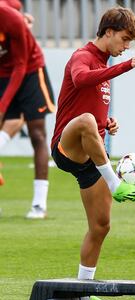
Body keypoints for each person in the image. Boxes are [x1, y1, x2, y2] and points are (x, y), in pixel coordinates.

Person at [51, 7, 135, 300]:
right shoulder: (83, 56)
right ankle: (115, 183)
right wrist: (127, 66)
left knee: (101, 226)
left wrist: (106, 123)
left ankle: (85, 289)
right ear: (107, 32)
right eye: (124, 39)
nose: (126, 47)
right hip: (66, 148)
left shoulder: (104, 63)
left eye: (130, 43)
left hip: (91, 158)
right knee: (85, 122)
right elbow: (81, 81)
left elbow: (90, 105)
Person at [0, 1, 54, 219]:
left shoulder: (9, 18)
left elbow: (21, 64)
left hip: (30, 69)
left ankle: (39, 204)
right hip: (2, 73)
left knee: (37, 134)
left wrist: (3, 105)